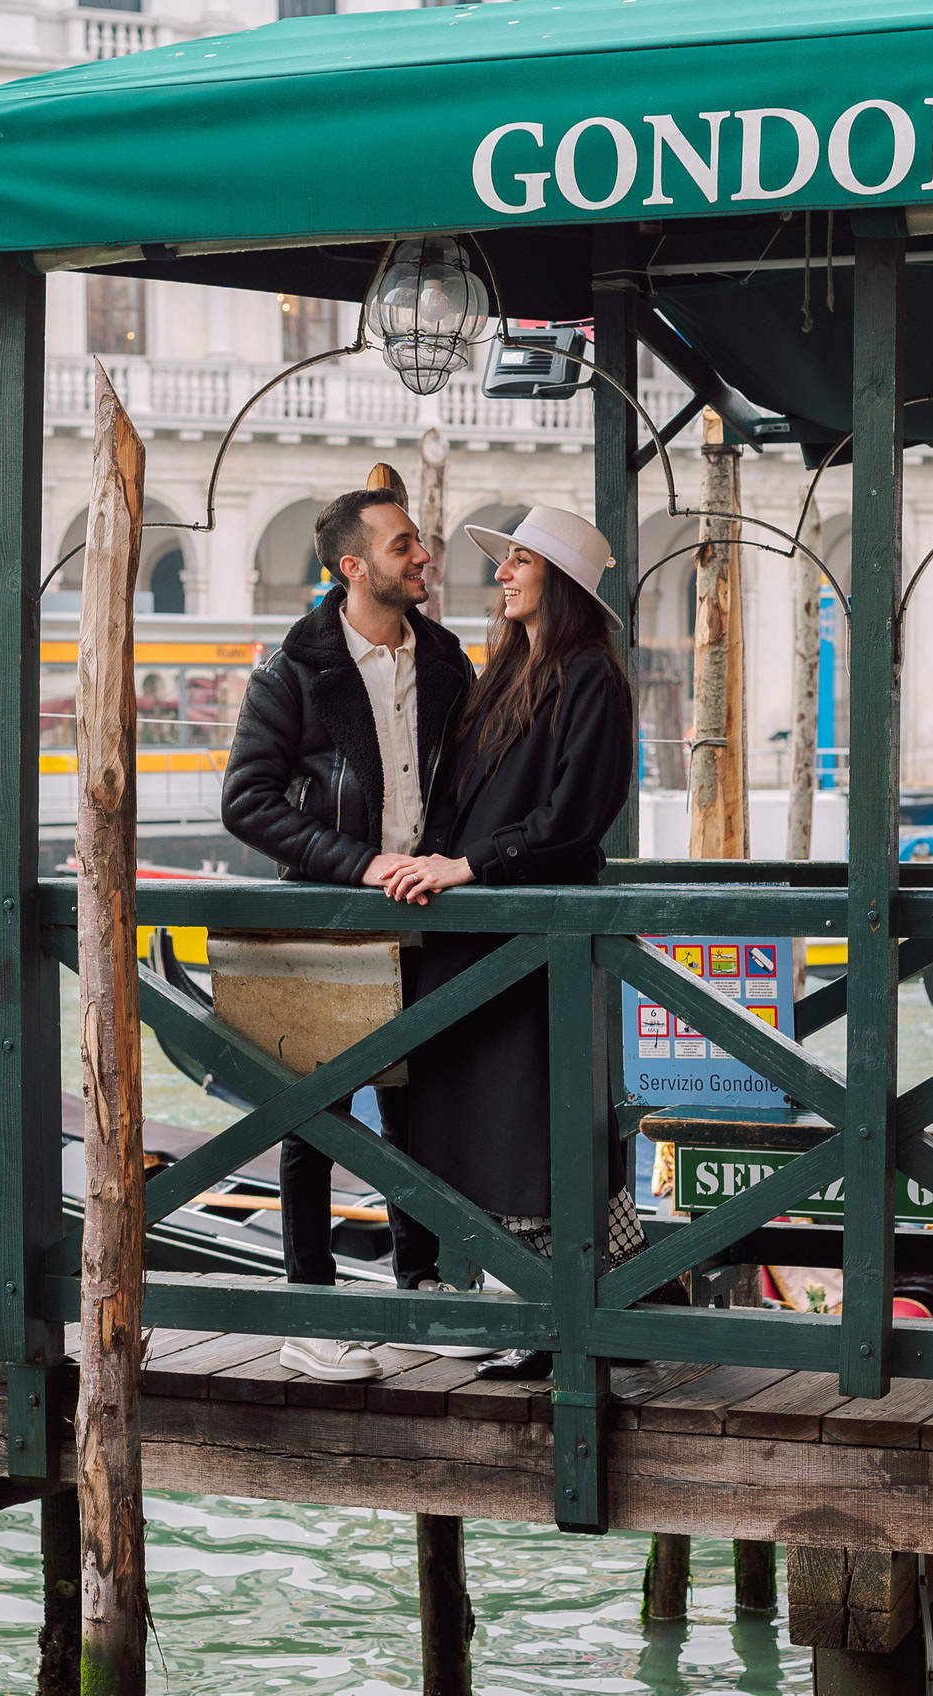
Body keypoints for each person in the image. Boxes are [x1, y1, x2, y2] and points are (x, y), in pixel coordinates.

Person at [376, 505, 650, 1383]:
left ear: (558, 582)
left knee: (533, 1125)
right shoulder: (504, 672)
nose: (501, 574)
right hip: (480, 934)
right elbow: (458, 798)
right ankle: (558, 1306)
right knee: (483, 1116)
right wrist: (430, 862)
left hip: (536, 938)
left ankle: (563, 1315)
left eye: (520, 561)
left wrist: (467, 864)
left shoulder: (590, 677)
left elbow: (573, 821)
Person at [220, 486, 476, 1382]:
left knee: (422, 1111)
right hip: (328, 917)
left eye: (420, 541)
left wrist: (453, 861)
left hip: (432, 916)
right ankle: (311, 1314)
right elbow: (245, 802)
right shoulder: (291, 669)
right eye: (405, 545)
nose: (424, 556)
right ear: (354, 567)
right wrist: (359, 864)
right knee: (315, 1119)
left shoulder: (446, 659)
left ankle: (421, 1291)